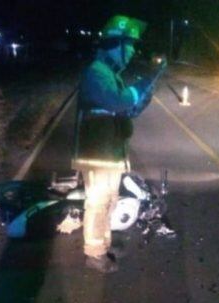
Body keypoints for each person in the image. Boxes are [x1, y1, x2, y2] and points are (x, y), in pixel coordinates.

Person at [73, 14, 156, 273]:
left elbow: (127, 110)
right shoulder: (96, 72)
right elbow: (117, 101)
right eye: (128, 46)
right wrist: (142, 84)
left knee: (110, 199)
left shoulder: (110, 74)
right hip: (97, 152)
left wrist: (146, 91)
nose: (131, 52)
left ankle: (102, 245)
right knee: (98, 202)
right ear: (114, 45)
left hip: (110, 150)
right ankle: (93, 253)